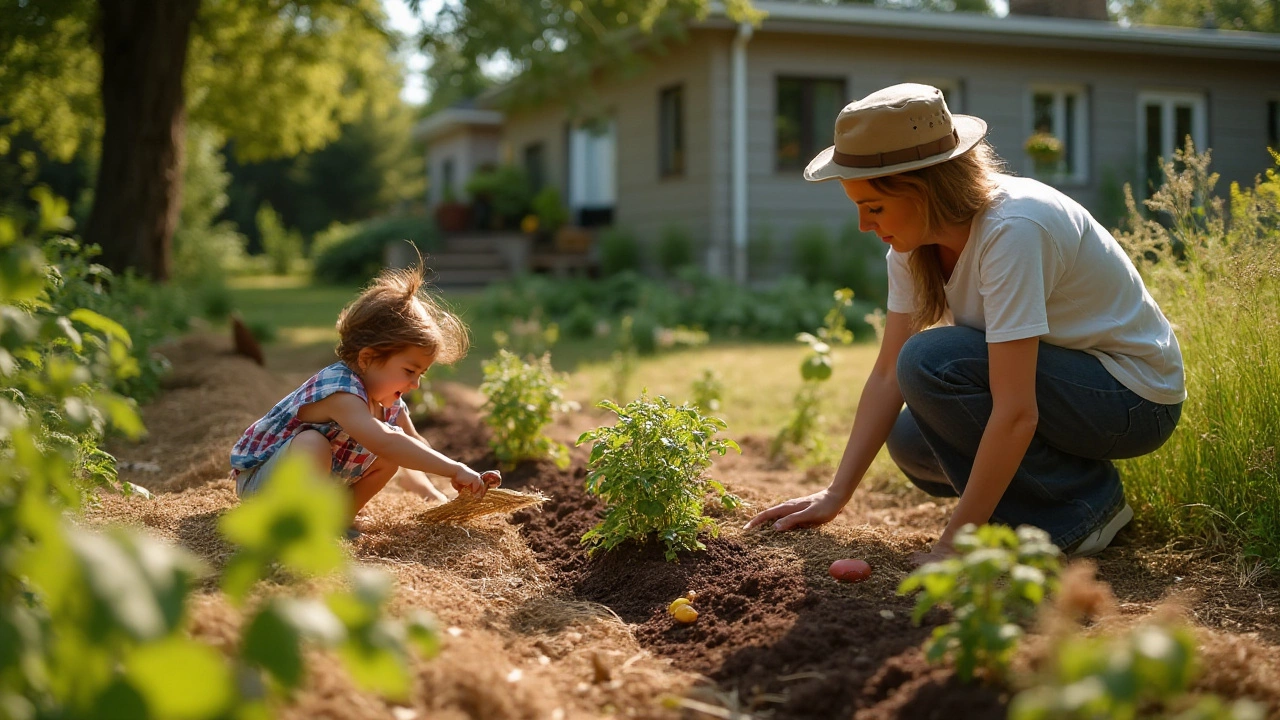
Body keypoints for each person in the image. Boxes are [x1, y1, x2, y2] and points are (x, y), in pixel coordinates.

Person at [745, 84, 1185, 562]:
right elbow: (888, 374)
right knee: (912, 439)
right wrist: (835, 495)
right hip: (1068, 391)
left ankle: (1083, 512)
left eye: (873, 207)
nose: (863, 226)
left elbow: (1017, 410)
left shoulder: (1014, 229)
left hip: (1132, 398)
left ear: (923, 188)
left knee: (931, 361)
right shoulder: (911, 246)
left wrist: (953, 543)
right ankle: (1067, 494)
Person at [229, 261, 498, 536]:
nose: (415, 383)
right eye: (409, 371)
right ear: (367, 358)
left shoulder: (388, 403)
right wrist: (455, 469)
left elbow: (414, 444)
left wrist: (449, 483)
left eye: (422, 374)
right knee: (314, 443)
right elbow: (387, 441)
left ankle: (337, 519)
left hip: (312, 480)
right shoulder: (341, 393)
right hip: (264, 482)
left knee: (389, 459)